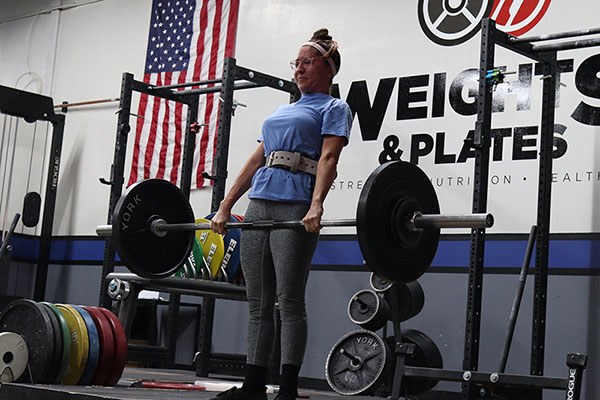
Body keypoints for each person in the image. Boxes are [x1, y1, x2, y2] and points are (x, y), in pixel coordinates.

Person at [209, 28, 352, 400]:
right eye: (297, 63)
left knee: (289, 302)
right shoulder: (281, 111)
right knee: (258, 303)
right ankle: (254, 386)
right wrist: (226, 205)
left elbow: (329, 158)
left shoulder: (334, 108)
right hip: (259, 204)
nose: (299, 69)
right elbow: (255, 160)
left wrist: (317, 203)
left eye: (307, 62)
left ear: (328, 68)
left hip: (294, 208)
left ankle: (287, 389)